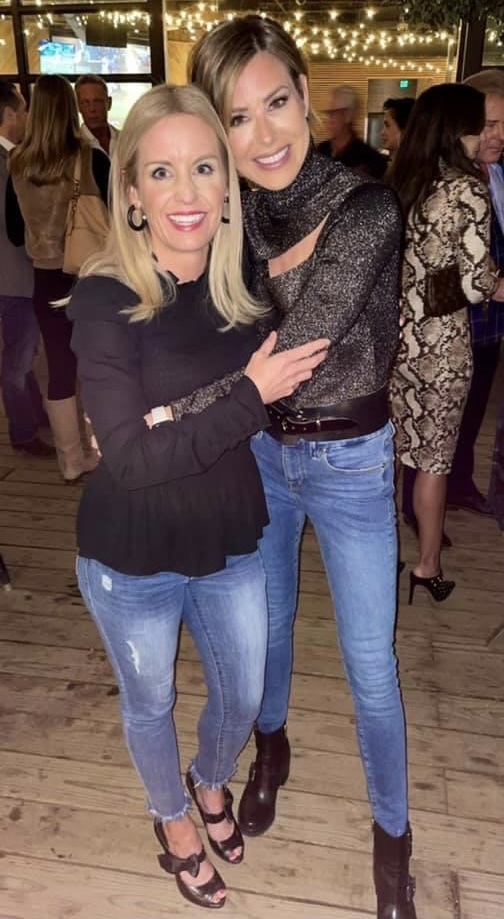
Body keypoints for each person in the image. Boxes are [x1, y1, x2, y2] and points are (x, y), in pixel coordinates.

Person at [158, 15, 412, 919]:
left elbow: (294, 349)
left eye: (276, 103)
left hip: (350, 460)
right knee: (263, 637)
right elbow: (192, 326)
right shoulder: (230, 216)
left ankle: (393, 840)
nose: (264, 134)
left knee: (370, 663)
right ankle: (272, 749)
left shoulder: (369, 208)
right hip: (261, 455)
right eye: (237, 117)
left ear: (305, 98)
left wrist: (171, 414)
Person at [67, 82, 329, 911]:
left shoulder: (242, 287)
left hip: (229, 531)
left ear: (227, 186)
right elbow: (132, 461)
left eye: (204, 168)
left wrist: (177, 415)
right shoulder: (106, 297)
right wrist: (244, 395)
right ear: (133, 192)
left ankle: (211, 777)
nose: (185, 191)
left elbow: (286, 383)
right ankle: (174, 818)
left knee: (243, 692)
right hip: (130, 550)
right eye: (162, 172)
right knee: (152, 699)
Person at [388, 83, 504, 605]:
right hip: (442, 350)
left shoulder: (405, 181)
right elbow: (480, 286)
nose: (487, 135)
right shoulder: (468, 189)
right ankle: (427, 566)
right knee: (433, 462)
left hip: (399, 343)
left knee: (394, 454)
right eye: (481, 125)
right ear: (459, 130)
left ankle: (384, 551)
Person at [7, 74, 110, 482]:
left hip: (45, 280)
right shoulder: (89, 158)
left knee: (60, 368)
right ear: (70, 108)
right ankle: (103, 448)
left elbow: (16, 232)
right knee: (101, 363)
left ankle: (70, 460)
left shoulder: (18, 163)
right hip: (90, 277)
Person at [446, 69, 504, 515]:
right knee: (443, 421)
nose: (499, 136)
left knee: (473, 414)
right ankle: (424, 505)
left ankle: (460, 485)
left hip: (490, 326)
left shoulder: (497, 174)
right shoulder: (448, 183)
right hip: (453, 324)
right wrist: (490, 285)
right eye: (491, 125)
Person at [0, 80, 53, 457]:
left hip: (12, 277)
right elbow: (17, 227)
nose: (27, 117)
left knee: (24, 354)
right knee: (17, 361)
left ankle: (34, 415)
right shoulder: (8, 165)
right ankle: (22, 431)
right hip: (14, 278)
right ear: (9, 115)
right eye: (23, 110)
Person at [317, 84, 388, 179]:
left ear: (348, 115)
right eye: (328, 113)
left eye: (333, 113)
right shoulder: (321, 151)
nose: (328, 119)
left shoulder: (369, 160)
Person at [75, 74, 119, 157]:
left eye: (97, 102)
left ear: (109, 103)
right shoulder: (73, 147)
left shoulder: (125, 140)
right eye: (86, 103)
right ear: (78, 106)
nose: (92, 109)